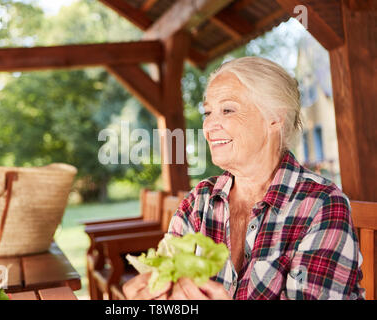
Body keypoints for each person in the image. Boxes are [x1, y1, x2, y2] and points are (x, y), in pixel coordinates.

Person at [123, 57, 365, 300]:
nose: (209, 125)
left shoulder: (321, 204)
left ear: (275, 118)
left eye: (227, 109)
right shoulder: (199, 201)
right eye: (208, 112)